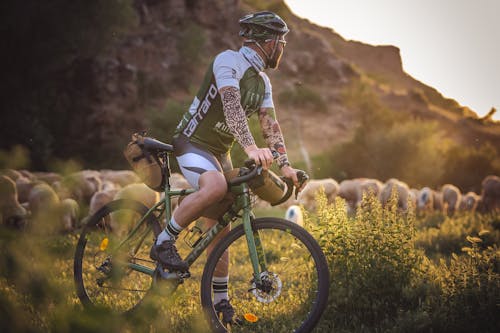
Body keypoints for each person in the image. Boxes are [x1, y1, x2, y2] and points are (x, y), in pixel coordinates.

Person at [150, 11, 300, 323]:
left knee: (223, 226)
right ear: (267, 42)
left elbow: (271, 126)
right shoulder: (227, 61)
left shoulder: (263, 82)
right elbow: (232, 109)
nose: (283, 48)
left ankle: (219, 304)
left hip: (220, 152)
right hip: (192, 142)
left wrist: (286, 166)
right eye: (281, 42)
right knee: (216, 186)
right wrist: (250, 148)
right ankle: (163, 242)